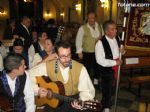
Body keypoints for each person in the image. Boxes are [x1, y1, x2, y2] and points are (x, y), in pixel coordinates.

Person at [28, 41, 95, 112]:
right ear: (56, 55)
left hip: (73, 100)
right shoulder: (48, 65)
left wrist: (81, 102)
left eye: (68, 55)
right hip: (54, 101)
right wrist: (37, 90)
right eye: (63, 56)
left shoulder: (80, 68)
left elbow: (87, 91)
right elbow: (29, 74)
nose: (67, 59)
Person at [95, 20, 124, 112]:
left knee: (113, 88)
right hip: (107, 70)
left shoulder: (118, 38)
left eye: (116, 29)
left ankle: (107, 102)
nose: (116, 31)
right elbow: (100, 60)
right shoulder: (100, 43)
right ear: (106, 31)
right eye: (113, 29)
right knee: (107, 89)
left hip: (117, 67)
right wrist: (115, 63)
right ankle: (106, 107)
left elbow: (119, 51)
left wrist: (123, 51)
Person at [76, 11, 104, 87]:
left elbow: (103, 37)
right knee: (86, 69)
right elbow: (78, 40)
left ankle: (96, 82)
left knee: (97, 68)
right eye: (89, 18)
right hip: (87, 52)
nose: (91, 19)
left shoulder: (100, 26)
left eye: (93, 18)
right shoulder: (83, 28)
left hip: (98, 52)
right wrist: (79, 52)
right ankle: (86, 83)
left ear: (96, 18)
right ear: (87, 18)